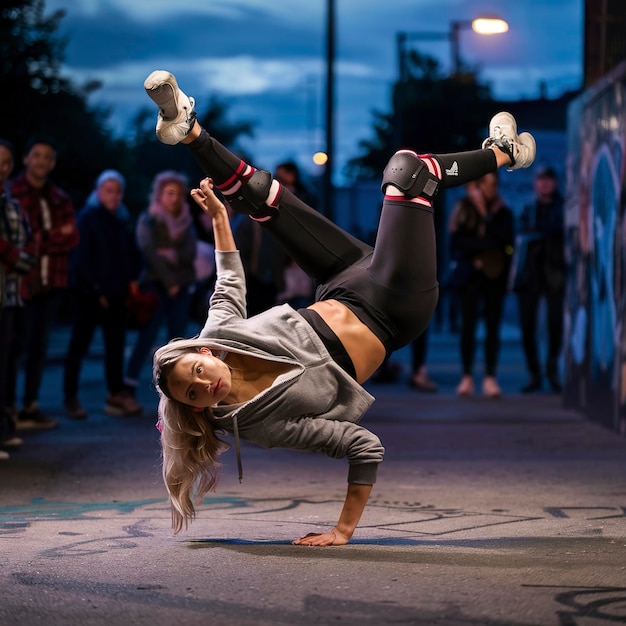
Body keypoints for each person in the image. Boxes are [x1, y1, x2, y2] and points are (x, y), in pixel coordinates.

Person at [144, 70, 535, 546]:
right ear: (196, 410)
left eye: (195, 370)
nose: (204, 383)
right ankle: (503, 153)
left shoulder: (219, 340)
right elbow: (361, 445)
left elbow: (227, 283)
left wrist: (221, 218)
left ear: (200, 354)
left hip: (342, 284)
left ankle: (188, 127)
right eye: (194, 394)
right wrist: (342, 531)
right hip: (393, 309)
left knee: (260, 198)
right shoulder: (262, 424)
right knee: (408, 173)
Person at [8, 136, 80, 430]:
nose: (42, 162)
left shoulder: (59, 197)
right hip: (22, 284)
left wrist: (40, 240)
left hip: (52, 283)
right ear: (26, 159)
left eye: (48, 157)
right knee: (14, 347)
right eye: (36, 155)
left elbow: (72, 236)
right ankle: (8, 408)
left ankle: (30, 406)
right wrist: (50, 239)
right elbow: (22, 240)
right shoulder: (13, 192)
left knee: (39, 347)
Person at [63, 170, 143, 418]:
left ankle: (115, 394)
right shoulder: (87, 218)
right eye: (109, 190)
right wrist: (96, 289)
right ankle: (71, 397)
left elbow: (130, 255)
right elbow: (81, 259)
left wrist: (131, 278)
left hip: (117, 295)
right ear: (98, 192)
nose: (114, 195)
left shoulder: (121, 219)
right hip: (89, 294)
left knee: (115, 347)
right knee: (79, 345)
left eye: (118, 191)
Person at [125, 171, 198, 396]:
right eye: (169, 193)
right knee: (148, 335)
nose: (174, 198)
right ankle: (128, 386)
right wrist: (169, 280)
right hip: (155, 285)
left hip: (182, 285)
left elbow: (189, 253)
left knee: (178, 339)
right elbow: (149, 253)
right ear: (159, 194)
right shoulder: (149, 219)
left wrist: (171, 254)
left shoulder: (187, 221)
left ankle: (177, 390)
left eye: (178, 194)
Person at [449, 173, 515, 398]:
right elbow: (457, 241)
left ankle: (490, 377)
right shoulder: (464, 208)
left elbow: (505, 242)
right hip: (469, 277)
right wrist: (482, 248)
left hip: (494, 277)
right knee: (467, 328)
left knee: (492, 329)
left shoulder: (502, 211)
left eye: (493, 184)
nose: (490, 188)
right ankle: (466, 376)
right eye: (485, 184)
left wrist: (486, 217)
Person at [0, 138, 37, 458]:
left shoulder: (12, 207)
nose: (1, 169)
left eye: (5, 163)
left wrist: (6, 251)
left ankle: (4, 427)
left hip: (8, 297)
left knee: (7, 364)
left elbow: (28, 257)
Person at [514, 165, 565, 393]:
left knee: (555, 324)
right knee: (527, 325)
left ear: (554, 183)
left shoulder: (562, 207)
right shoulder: (527, 206)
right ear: (535, 183)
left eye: (548, 180)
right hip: (530, 272)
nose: (544, 184)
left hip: (555, 272)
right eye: (540, 180)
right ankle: (534, 373)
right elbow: (520, 235)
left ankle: (552, 369)